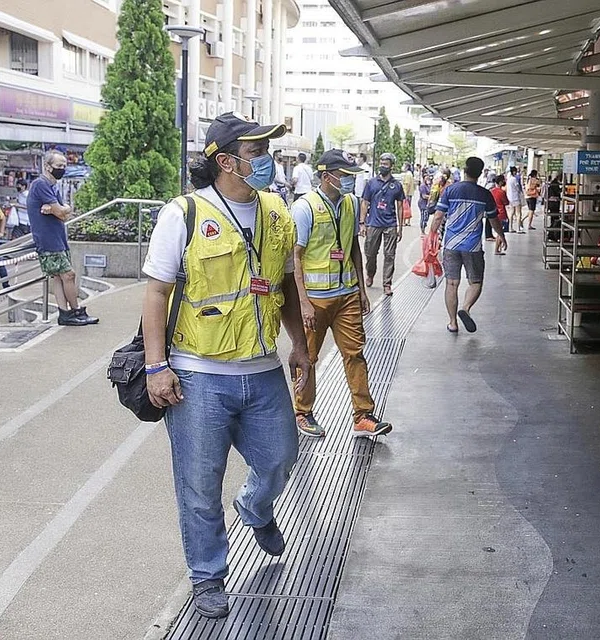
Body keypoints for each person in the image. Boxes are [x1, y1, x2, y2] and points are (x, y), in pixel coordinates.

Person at [141, 111, 311, 619]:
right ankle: (208, 576)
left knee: (282, 458)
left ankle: (255, 506)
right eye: (257, 153)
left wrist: (299, 346)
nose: (266, 162)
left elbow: (283, 285)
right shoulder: (185, 213)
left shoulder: (277, 212)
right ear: (225, 161)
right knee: (199, 485)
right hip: (198, 374)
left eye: (267, 152)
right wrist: (156, 367)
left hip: (262, 370)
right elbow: (156, 291)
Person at [291, 149, 393, 439]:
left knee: (355, 353)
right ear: (326, 177)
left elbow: (353, 250)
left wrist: (361, 290)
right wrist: (303, 303)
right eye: (345, 176)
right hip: (315, 298)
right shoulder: (305, 208)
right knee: (308, 356)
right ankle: (302, 412)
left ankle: (363, 416)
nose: (349, 181)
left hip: (346, 294)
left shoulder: (350, 203)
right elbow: (295, 257)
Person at [428, 157, 507, 333]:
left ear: (464, 170)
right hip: (473, 247)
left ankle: (452, 323)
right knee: (476, 282)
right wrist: (501, 236)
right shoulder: (484, 194)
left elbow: (439, 216)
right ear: (480, 173)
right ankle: (465, 307)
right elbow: (494, 219)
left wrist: (431, 236)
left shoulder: (450, 190)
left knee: (451, 283)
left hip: (451, 245)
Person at [26, 152, 97, 325]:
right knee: (68, 275)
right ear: (47, 166)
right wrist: (59, 210)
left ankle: (65, 313)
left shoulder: (52, 186)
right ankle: (74, 311)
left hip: (57, 238)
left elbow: (65, 212)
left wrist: (59, 209)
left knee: (59, 277)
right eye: (59, 166)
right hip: (48, 240)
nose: (62, 169)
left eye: (64, 166)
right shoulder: (40, 184)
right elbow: (61, 212)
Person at [360, 152, 405, 296]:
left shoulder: (397, 185)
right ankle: (370, 274)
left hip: (390, 224)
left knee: (390, 255)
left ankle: (387, 283)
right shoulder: (371, 183)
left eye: (386, 164)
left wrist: (400, 227)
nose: (382, 166)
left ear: (392, 166)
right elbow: (365, 203)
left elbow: (400, 207)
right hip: (373, 223)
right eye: (381, 164)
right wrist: (362, 223)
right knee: (370, 253)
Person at [488, 174, 509, 254]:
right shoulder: (501, 192)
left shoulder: (491, 191)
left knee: (498, 232)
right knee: (501, 232)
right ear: (500, 182)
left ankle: (498, 249)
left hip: (494, 214)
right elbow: (506, 202)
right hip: (502, 213)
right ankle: (497, 249)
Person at [506, 166, 525, 233]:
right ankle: (518, 228)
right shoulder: (514, 179)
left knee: (511, 213)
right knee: (518, 213)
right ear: (514, 172)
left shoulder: (508, 179)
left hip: (510, 198)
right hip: (516, 198)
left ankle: (510, 228)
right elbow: (518, 188)